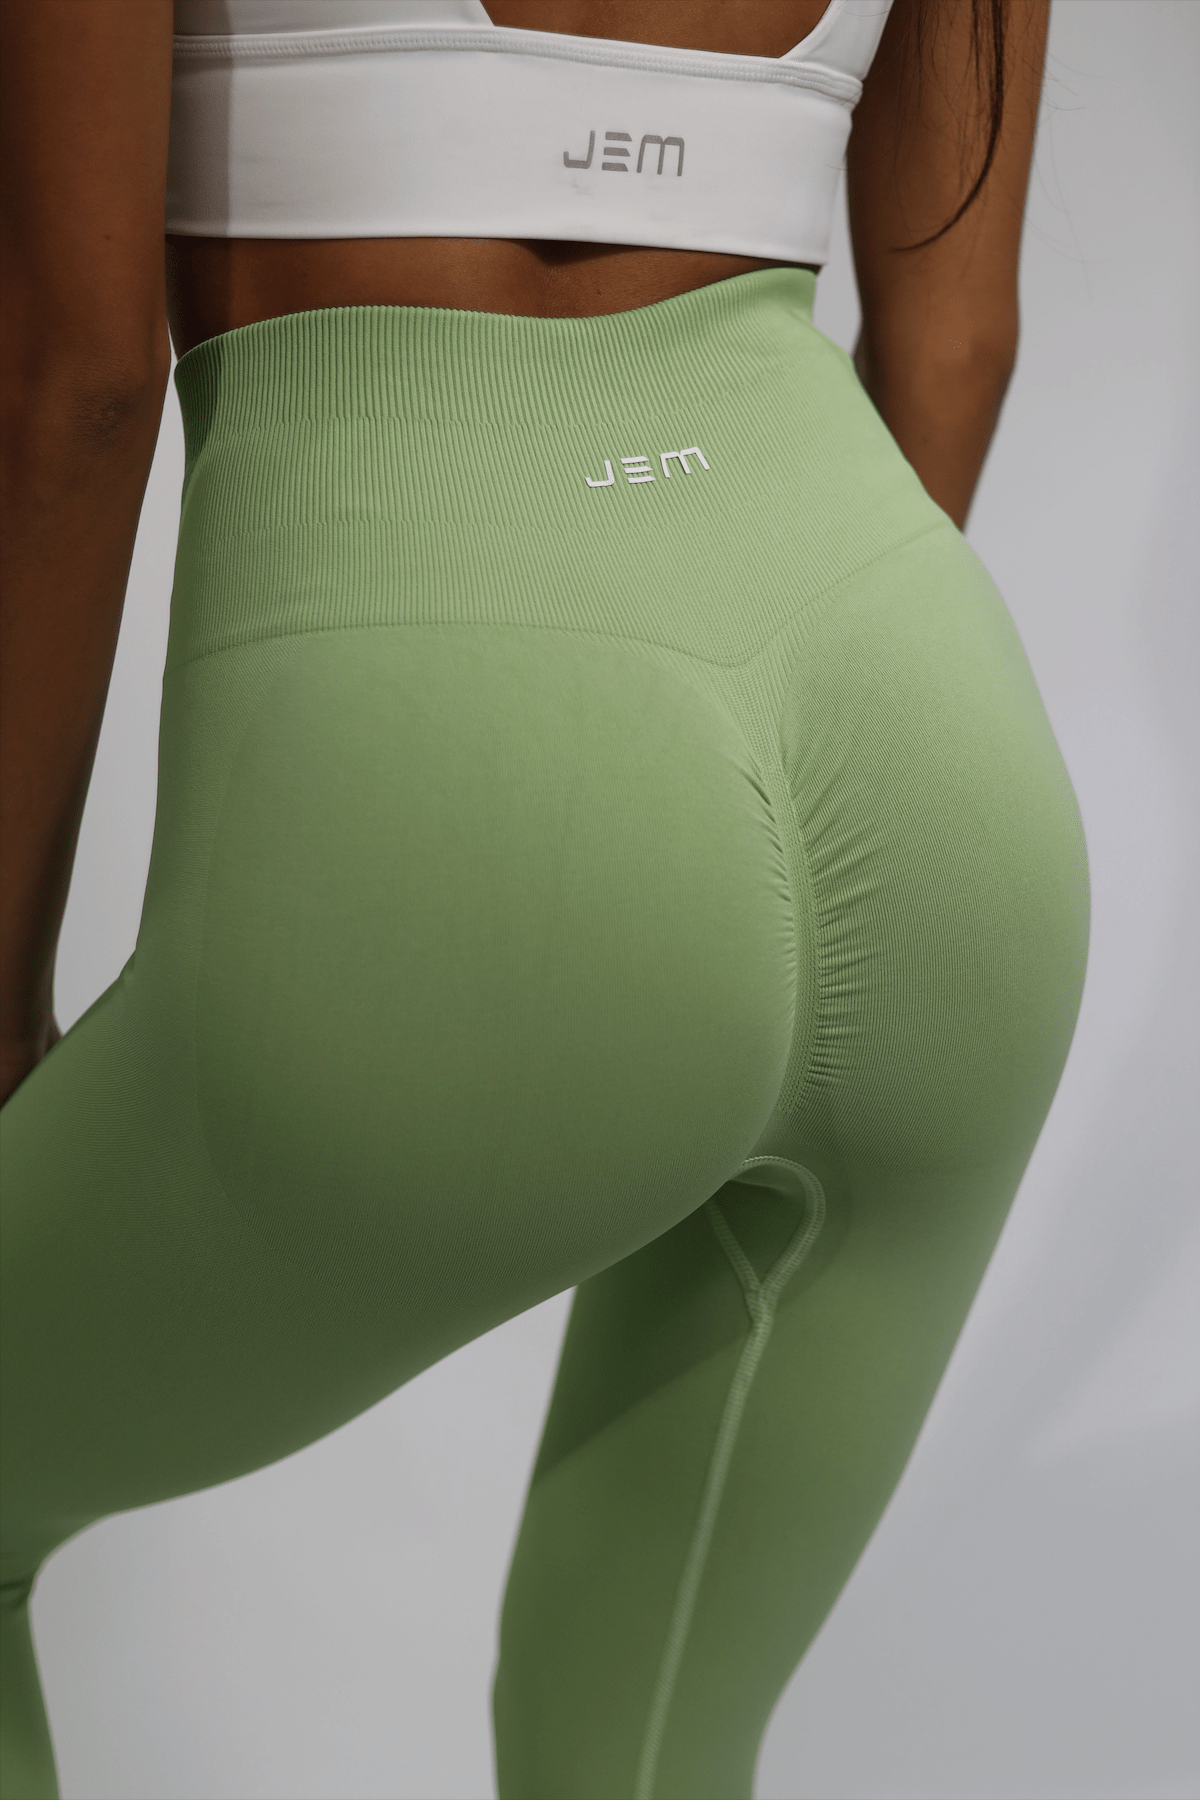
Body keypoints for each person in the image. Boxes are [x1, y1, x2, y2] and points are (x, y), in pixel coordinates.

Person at [0, 2, 1088, 1795]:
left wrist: (2, 988)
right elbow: (957, 341)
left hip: (473, 756)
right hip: (933, 750)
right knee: (639, 1745)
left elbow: (76, 378)